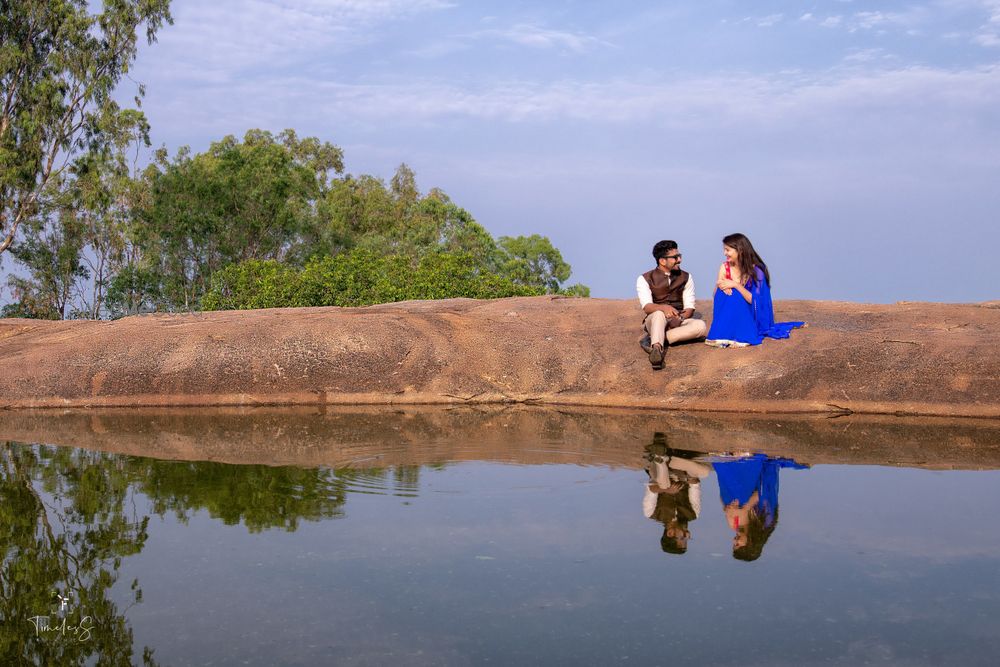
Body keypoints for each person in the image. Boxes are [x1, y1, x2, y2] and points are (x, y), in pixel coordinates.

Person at [705, 233, 804, 347]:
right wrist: (720, 286)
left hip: (749, 311)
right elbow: (715, 296)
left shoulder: (757, 271)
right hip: (729, 311)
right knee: (722, 293)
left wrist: (736, 285)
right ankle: (723, 334)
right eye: (724, 250)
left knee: (736, 293)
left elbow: (754, 300)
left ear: (740, 250)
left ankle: (742, 336)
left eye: (728, 250)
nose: (725, 253)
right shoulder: (724, 267)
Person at [712, 454, 808, 561]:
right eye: (738, 544)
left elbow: (724, 497)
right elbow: (762, 493)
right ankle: (744, 462)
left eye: (734, 544)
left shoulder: (735, 526)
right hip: (757, 483)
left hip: (735, 488)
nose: (734, 541)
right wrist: (745, 508)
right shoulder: (765, 522)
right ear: (750, 544)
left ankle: (728, 462)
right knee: (742, 498)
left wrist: (727, 509)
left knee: (732, 500)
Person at [636, 240, 708, 369]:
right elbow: (647, 307)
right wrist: (664, 308)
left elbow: (689, 307)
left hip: (677, 321)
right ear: (662, 261)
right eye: (675, 257)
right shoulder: (644, 278)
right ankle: (657, 350)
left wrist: (679, 319)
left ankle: (655, 339)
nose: (679, 260)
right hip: (655, 320)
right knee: (658, 314)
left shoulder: (686, 277)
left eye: (679, 256)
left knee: (700, 326)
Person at [642, 433, 711, 555]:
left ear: (670, 533)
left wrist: (666, 491)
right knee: (705, 473)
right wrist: (685, 478)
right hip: (680, 471)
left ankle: (660, 458)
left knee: (663, 485)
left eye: (683, 537)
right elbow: (695, 484)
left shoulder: (651, 513)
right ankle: (663, 458)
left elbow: (651, 489)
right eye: (687, 539)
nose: (687, 534)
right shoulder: (693, 514)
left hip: (658, 473)